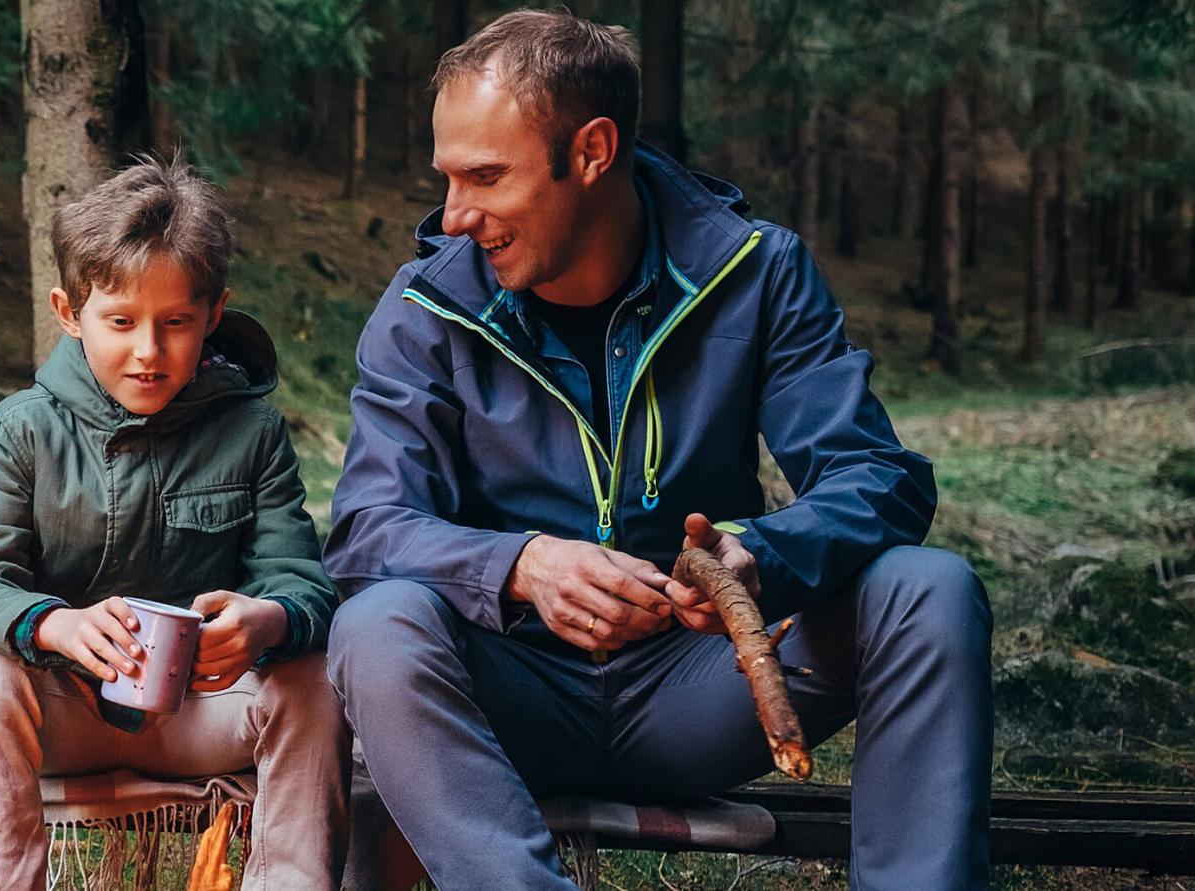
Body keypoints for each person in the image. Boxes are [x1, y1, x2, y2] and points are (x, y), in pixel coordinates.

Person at [321, 10, 992, 888]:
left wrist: (763, 557)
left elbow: (879, 478)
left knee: (931, 589)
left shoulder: (756, 272)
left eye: (486, 177)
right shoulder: (425, 310)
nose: (454, 217)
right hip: (511, 692)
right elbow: (367, 529)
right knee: (376, 625)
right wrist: (523, 565)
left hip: (707, 686)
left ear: (593, 151)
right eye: (448, 177)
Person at [0, 158, 344, 890]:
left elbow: (304, 582)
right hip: (67, 709)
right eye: (120, 322)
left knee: (314, 680)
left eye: (176, 323)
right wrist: (52, 625)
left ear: (214, 314)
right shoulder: (23, 430)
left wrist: (269, 619)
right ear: (69, 312)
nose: (149, 350)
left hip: (206, 713)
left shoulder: (252, 431)